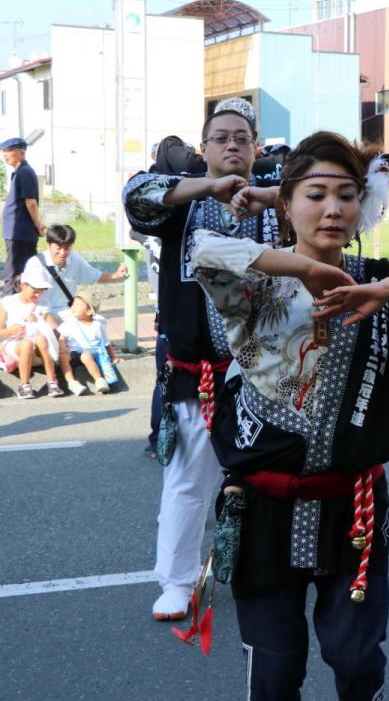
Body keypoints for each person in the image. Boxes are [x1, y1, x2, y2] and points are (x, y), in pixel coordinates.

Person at [190, 131, 389, 700]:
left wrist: (387, 290)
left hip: (354, 510)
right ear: (286, 204)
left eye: (347, 195)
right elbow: (204, 250)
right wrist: (303, 268)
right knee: (273, 671)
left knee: (356, 659)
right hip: (261, 509)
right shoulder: (255, 283)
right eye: (315, 195)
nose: (333, 209)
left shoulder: (384, 282)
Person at [123, 103, 282, 622]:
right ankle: (177, 581)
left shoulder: (277, 200)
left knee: (270, 481)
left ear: (256, 147)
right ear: (204, 148)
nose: (232, 145)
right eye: (221, 138)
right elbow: (136, 194)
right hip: (201, 376)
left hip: (269, 373)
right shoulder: (182, 203)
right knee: (187, 481)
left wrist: (268, 196)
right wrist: (208, 187)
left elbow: (341, 198)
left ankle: (268, 571)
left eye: (242, 138)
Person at [21, 224, 128, 319]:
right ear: (48, 245)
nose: (63, 253)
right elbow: (27, 296)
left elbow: (94, 275)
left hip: (66, 311)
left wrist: (117, 275)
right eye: (58, 248)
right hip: (40, 312)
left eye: (67, 248)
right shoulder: (35, 264)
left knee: (98, 321)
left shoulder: (74, 258)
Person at [0, 271, 62, 399]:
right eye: (35, 291)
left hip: (38, 349)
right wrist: (10, 331)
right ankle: (24, 385)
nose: (38, 294)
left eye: (42, 291)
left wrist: (38, 319)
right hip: (14, 345)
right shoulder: (7, 302)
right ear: (23, 284)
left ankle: (52, 381)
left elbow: (50, 329)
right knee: (26, 344)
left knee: (41, 339)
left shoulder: (44, 303)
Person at [55, 289, 123, 394]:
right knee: (63, 357)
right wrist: (63, 347)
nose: (73, 307)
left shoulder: (98, 325)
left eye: (78, 305)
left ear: (89, 311)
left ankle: (99, 380)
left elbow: (106, 343)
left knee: (86, 355)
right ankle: (72, 383)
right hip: (74, 353)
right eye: (73, 304)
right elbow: (62, 338)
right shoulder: (69, 323)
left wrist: (113, 357)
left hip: (93, 353)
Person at [3, 137, 44, 295]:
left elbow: (31, 202)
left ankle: (6, 307)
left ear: (21, 153)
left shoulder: (25, 172)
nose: (5, 155)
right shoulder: (19, 172)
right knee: (21, 271)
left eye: (8, 151)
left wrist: (38, 225)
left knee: (15, 273)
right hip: (16, 232)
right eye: (4, 151)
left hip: (20, 232)